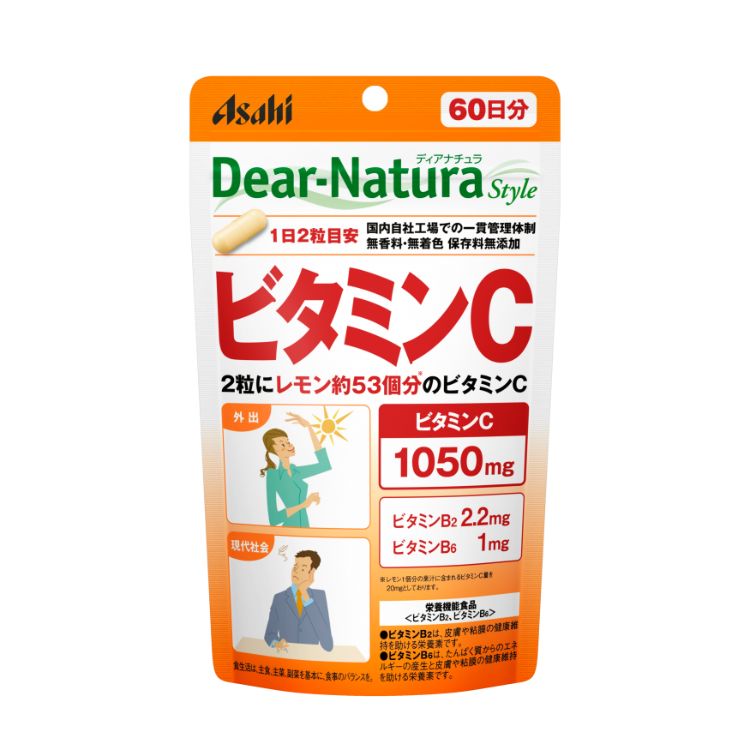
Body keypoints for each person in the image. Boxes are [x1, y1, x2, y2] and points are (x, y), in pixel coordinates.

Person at [260, 412, 332, 528]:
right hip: (289, 528)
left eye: (288, 442)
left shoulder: (296, 471)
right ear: (273, 449)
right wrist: (304, 504)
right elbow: (274, 519)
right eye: (282, 444)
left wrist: (309, 427)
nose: (289, 445)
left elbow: (325, 465)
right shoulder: (273, 475)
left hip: (305, 526)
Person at [264, 550, 333, 652]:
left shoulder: (319, 597)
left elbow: (328, 645)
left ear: (312, 572)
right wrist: (277, 643)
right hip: (286, 655)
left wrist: (304, 593)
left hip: (311, 657)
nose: (296, 571)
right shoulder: (279, 598)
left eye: (303, 568)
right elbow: (269, 634)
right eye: (295, 566)